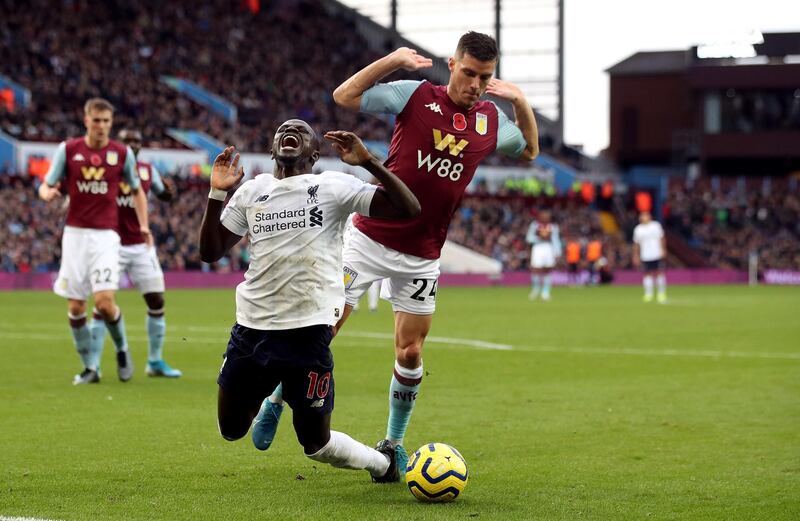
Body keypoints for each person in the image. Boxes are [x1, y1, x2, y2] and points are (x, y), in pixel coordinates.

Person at [255, 31, 539, 471]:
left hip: (424, 252)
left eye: (485, 78)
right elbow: (345, 95)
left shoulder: (490, 122)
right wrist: (393, 60)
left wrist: (519, 101)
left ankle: (393, 441)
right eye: (468, 73)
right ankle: (274, 400)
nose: (476, 85)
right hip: (369, 236)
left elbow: (531, 151)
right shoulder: (416, 96)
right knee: (322, 330)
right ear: (452, 64)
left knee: (410, 352)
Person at [199, 120, 420, 482]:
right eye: (284, 129)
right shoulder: (252, 190)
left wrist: (367, 161)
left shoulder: (332, 185)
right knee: (231, 429)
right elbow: (210, 250)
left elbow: (407, 208)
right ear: (273, 149)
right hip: (252, 333)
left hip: (309, 333)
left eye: (302, 131)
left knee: (316, 444)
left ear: (314, 154)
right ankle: (276, 390)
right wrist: (216, 193)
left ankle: (383, 464)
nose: (291, 130)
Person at [38, 98, 151, 384]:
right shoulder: (69, 149)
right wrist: (46, 193)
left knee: (103, 303)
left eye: (106, 121)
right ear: (86, 120)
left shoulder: (122, 153)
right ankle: (91, 367)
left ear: (111, 124)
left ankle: (122, 349)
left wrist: (144, 225)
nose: (101, 126)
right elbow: (46, 183)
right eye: (96, 120)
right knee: (75, 307)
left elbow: (137, 191)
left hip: (106, 236)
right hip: (74, 235)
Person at [88, 129, 182, 378]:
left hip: (141, 245)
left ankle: (154, 362)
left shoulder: (147, 170)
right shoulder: (105, 168)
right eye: (127, 140)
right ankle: (93, 365)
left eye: (136, 140)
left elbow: (163, 192)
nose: (132, 144)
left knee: (156, 301)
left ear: (141, 145)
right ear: (118, 143)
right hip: (111, 244)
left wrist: (171, 194)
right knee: (102, 304)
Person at [526, 210, 561, 301]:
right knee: (536, 269)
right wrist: (539, 238)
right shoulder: (535, 225)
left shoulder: (553, 227)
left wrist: (557, 252)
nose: (546, 218)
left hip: (548, 248)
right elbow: (529, 238)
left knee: (547, 270)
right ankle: (535, 289)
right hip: (538, 248)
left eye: (548, 216)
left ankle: (545, 292)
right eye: (544, 216)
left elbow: (556, 240)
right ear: (540, 217)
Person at [632, 211, 667, 303]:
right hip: (645, 255)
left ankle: (661, 294)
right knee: (647, 274)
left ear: (649, 216)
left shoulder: (656, 226)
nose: (643, 217)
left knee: (659, 273)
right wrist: (636, 255)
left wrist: (663, 249)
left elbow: (662, 238)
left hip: (656, 253)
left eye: (645, 216)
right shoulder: (638, 229)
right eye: (642, 216)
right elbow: (636, 244)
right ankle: (648, 294)